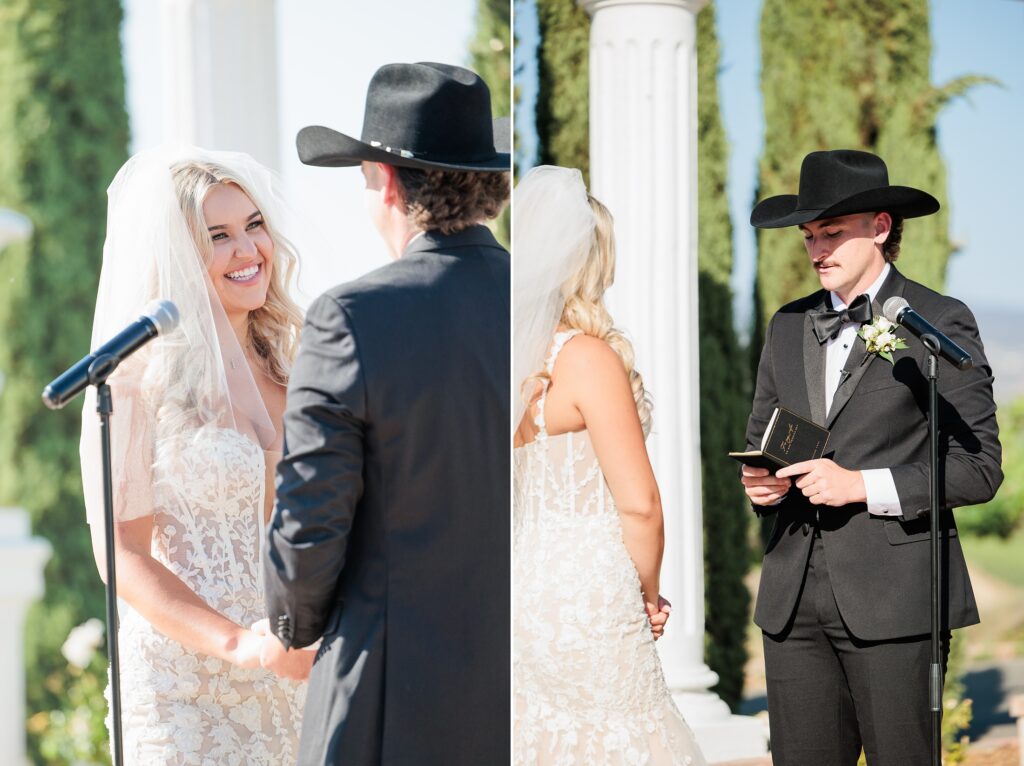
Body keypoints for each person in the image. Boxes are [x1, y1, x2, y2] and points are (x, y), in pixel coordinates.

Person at [262, 62, 510, 766]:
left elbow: (311, 514)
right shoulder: (540, 300)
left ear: (390, 183)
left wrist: (290, 622)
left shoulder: (352, 316)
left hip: (393, 693)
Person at [742, 149, 1003, 765]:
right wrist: (761, 485)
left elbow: (980, 466)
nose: (815, 250)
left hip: (895, 601)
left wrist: (862, 486)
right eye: (809, 236)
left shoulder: (939, 322)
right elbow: (764, 438)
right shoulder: (787, 324)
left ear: (881, 227)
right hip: (792, 603)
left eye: (831, 233)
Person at [79, 146, 312, 764]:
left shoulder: (303, 370)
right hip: (183, 691)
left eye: (253, 226)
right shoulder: (134, 378)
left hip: (294, 676)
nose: (248, 250)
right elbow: (120, 552)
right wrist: (237, 643)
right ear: (179, 257)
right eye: (218, 236)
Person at [512, 164, 707, 766]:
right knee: (624, 736)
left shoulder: (508, 358)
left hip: (524, 584)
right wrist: (646, 594)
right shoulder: (589, 359)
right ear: (593, 260)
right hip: (591, 590)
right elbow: (640, 504)